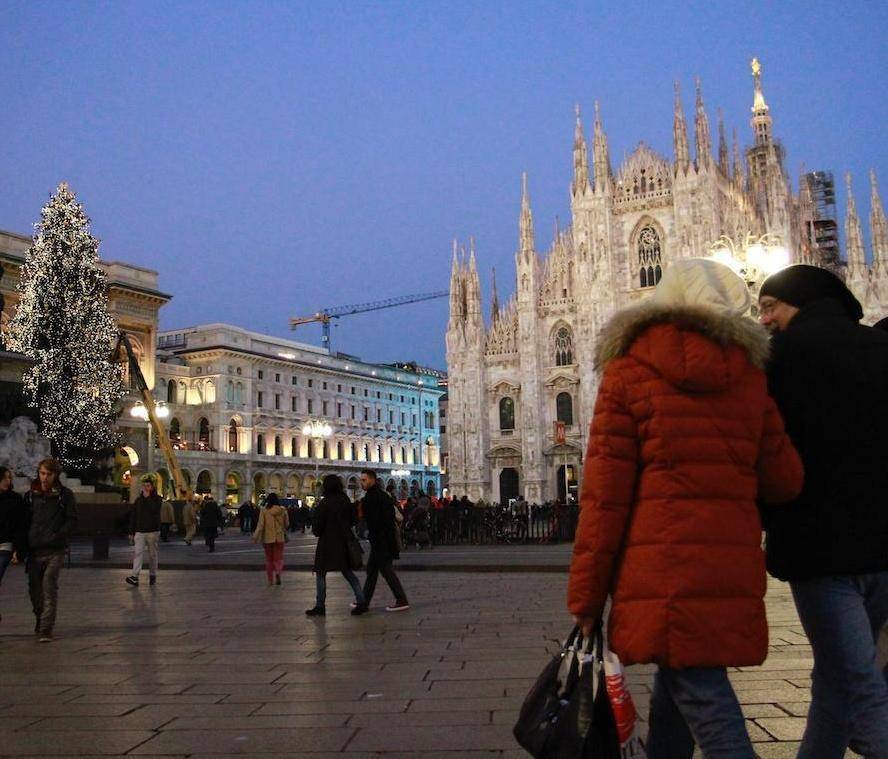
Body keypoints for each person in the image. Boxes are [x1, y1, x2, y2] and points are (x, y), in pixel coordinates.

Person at [568, 259, 803, 757]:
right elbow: (785, 481)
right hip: (729, 565)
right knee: (681, 687)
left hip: (659, 571)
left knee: (703, 696)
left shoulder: (628, 371)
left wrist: (587, 600)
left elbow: (604, 499)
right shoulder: (749, 377)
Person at [758, 264, 888, 756]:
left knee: (858, 683)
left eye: (770, 307)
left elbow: (767, 451)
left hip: (819, 548)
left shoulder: (781, 357)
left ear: (800, 302)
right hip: (881, 546)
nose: (764, 318)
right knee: (838, 678)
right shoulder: (880, 347)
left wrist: (767, 515)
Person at [22, 458, 78, 642]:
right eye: (42, 473)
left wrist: (59, 535)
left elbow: (71, 520)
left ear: (55, 475)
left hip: (55, 549)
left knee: (48, 586)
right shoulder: (30, 495)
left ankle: (46, 628)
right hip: (34, 549)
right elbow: (24, 522)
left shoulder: (64, 495)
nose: (44, 478)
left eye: (49, 474)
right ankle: (40, 618)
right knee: (35, 590)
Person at [305, 475, 366, 617]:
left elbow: (317, 528)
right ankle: (361, 601)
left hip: (327, 543)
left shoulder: (324, 503)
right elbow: (353, 520)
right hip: (344, 541)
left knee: (321, 573)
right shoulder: (346, 501)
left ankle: (320, 606)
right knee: (348, 573)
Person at [356, 469, 408, 613]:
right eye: (361, 480)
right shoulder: (380, 495)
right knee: (373, 571)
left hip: (381, 541)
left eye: (364, 480)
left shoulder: (374, 497)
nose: (362, 483)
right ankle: (364, 602)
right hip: (381, 540)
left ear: (372, 480)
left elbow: (379, 520)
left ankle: (401, 599)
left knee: (385, 571)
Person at [126, 473, 163, 587]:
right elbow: (134, 516)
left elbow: (154, 511)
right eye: (144, 486)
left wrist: (148, 499)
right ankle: (135, 576)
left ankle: (152, 574)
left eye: (148, 486)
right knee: (138, 553)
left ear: (152, 487)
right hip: (140, 531)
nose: (146, 488)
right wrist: (131, 532)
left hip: (152, 531)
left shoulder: (157, 499)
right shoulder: (138, 500)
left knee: (152, 555)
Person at [0, 466, 25, 624]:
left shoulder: (14, 499)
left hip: (5, 545)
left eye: (10, 478)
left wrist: (18, 549)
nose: (8, 481)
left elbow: (19, 526)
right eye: (5, 477)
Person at [252, 492, 288, 586]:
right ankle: (278, 573)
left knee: (269, 560)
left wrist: (255, 536)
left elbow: (260, 525)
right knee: (278, 558)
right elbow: (287, 524)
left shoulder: (264, 511)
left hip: (267, 539)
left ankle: (270, 580)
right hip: (279, 538)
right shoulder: (283, 510)